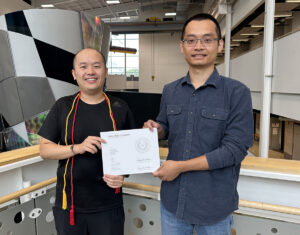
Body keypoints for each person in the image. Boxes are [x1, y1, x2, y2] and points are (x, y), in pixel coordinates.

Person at [144, 13, 253, 235]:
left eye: (207, 39)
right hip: (173, 202)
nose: (198, 46)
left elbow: (234, 150)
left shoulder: (237, 92)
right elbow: (166, 126)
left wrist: (180, 167)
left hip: (214, 207)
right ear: (182, 46)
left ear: (220, 45)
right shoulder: (170, 90)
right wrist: (156, 129)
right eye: (191, 40)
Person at [39, 48, 135, 235]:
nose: (90, 72)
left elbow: (131, 154)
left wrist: (123, 175)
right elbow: (45, 150)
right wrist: (78, 148)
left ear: (105, 72)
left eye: (96, 66)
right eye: (83, 67)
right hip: (70, 206)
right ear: (74, 74)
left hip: (109, 206)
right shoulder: (63, 106)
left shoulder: (120, 107)